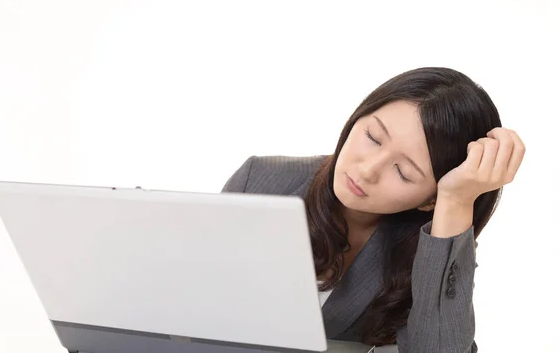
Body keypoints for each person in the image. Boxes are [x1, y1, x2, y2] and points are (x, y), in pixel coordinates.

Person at [221, 67, 526, 352]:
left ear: (430, 201)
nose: (367, 170)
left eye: (404, 172)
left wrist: (457, 202)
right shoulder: (260, 182)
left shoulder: (432, 248)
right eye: (372, 137)